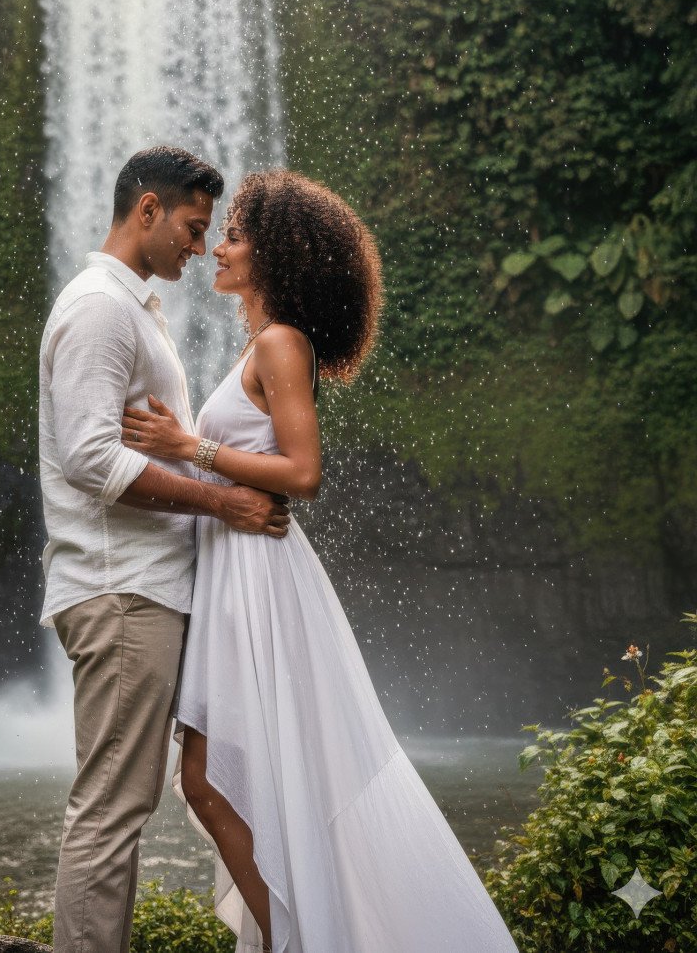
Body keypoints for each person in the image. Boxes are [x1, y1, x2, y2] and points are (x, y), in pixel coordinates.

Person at [120, 169, 522, 953]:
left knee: (212, 778)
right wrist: (194, 454)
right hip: (238, 571)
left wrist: (189, 446)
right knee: (238, 776)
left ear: (275, 255)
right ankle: (300, 935)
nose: (216, 251)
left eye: (232, 236)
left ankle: (296, 940)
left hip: (262, 579)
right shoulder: (263, 343)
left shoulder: (280, 343)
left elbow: (304, 472)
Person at [38, 146, 291, 953]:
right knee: (113, 808)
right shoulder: (100, 309)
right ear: (145, 210)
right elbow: (90, 458)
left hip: (147, 591)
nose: (197, 244)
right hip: (122, 593)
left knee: (149, 796)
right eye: (189, 227)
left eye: (209, 231)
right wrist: (222, 502)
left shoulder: (131, 308)